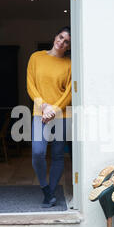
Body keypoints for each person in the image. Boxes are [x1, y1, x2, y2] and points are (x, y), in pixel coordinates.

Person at [27, 26, 72, 208]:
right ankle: (45, 188)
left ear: (69, 46)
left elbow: (69, 92)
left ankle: (50, 193)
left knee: (58, 155)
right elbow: (30, 85)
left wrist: (54, 109)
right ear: (55, 37)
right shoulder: (36, 57)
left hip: (61, 115)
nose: (61, 42)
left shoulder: (70, 64)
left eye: (66, 41)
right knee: (37, 152)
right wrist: (43, 106)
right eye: (60, 37)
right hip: (40, 113)